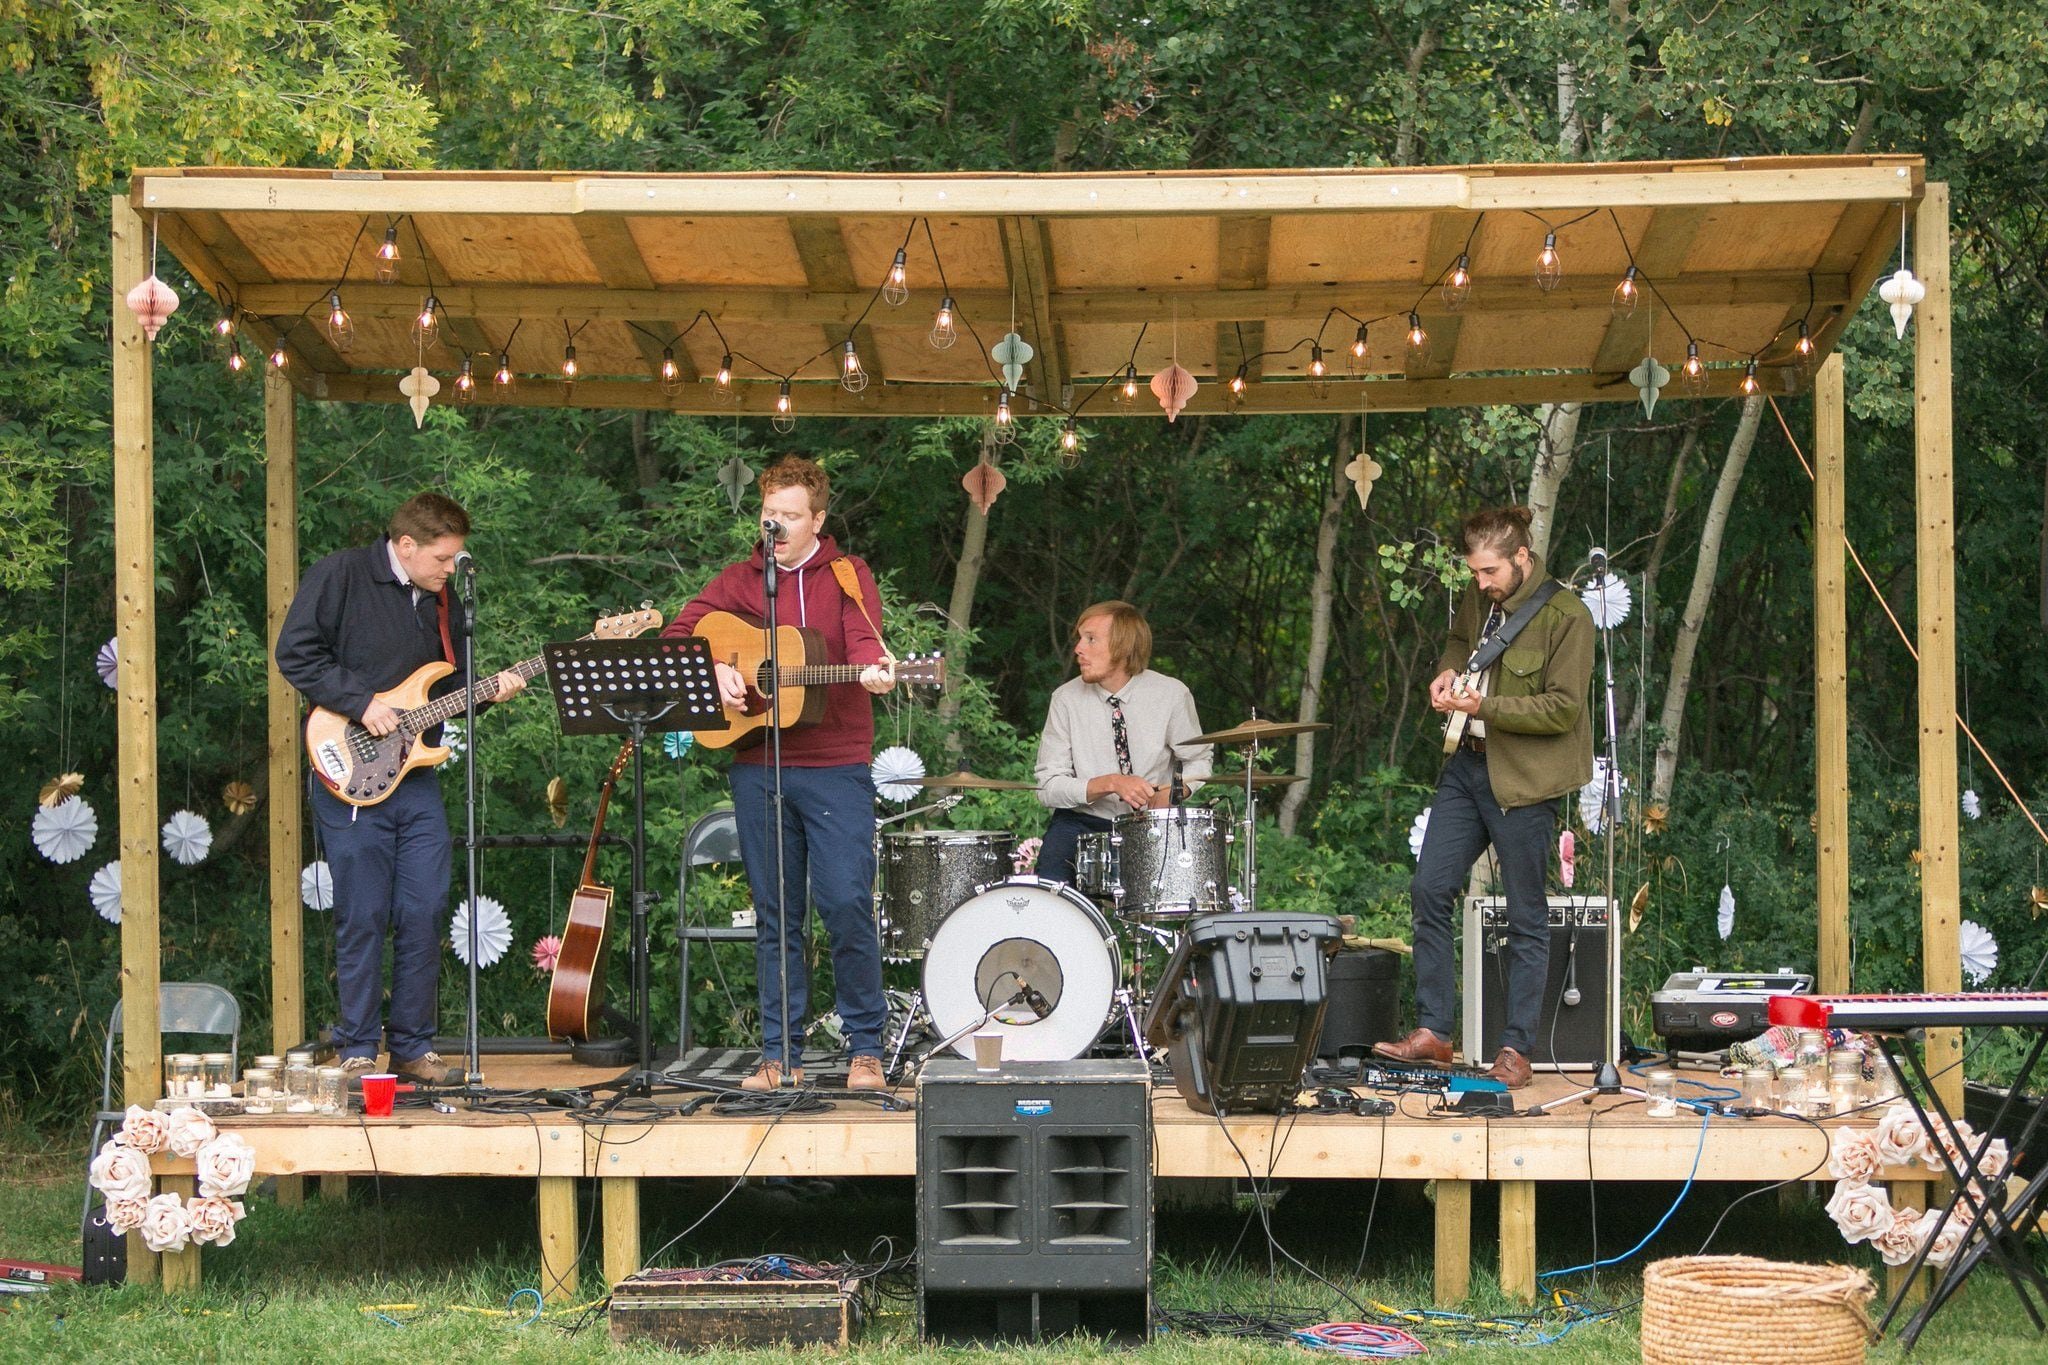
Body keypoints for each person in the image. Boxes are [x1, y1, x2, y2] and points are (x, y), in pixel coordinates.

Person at [275, 492, 528, 1085]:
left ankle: (413, 1046)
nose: (450, 570)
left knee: (425, 907)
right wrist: (361, 704)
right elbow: (295, 653)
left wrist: (491, 690)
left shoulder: (444, 604)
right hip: (348, 770)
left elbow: (450, 692)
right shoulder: (340, 575)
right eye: (442, 559)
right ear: (406, 545)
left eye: (455, 560)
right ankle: (357, 1046)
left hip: (415, 776)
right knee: (362, 911)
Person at [667, 456, 895, 1092]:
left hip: (835, 765)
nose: (777, 527)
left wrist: (877, 668)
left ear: (818, 519)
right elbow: (677, 637)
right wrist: (711, 672)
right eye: (769, 515)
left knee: (846, 902)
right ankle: (779, 1054)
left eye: (790, 517)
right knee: (776, 913)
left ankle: (865, 1048)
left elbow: (864, 642)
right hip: (757, 765)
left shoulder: (846, 576)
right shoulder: (740, 580)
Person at [1374, 506, 1592, 1089]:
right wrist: (1447, 674)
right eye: (1474, 573)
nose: (1481, 584)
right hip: (1466, 769)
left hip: (1525, 780)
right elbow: (1456, 641)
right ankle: (1435, 1033)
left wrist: (1484, 708)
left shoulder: (1568, 616)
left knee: (1525, 915)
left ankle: (1516, 1050)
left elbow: (1564, 709)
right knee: (1429, 887)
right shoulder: (1482, 599)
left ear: (1523, 558)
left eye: (1490, 572)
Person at [1032, 600, 1212, 887]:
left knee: (1182, 899)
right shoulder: (1065, 699)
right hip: (1081, 821)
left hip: (1152, 825)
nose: (1078, 648)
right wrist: (1111, 783)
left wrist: (1177, 791)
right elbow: (1047, 787)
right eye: (1080, 639)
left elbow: (1199, 761)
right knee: (1048, 901)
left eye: (1090, 639)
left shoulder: (1171, 694)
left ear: (1123, 647)